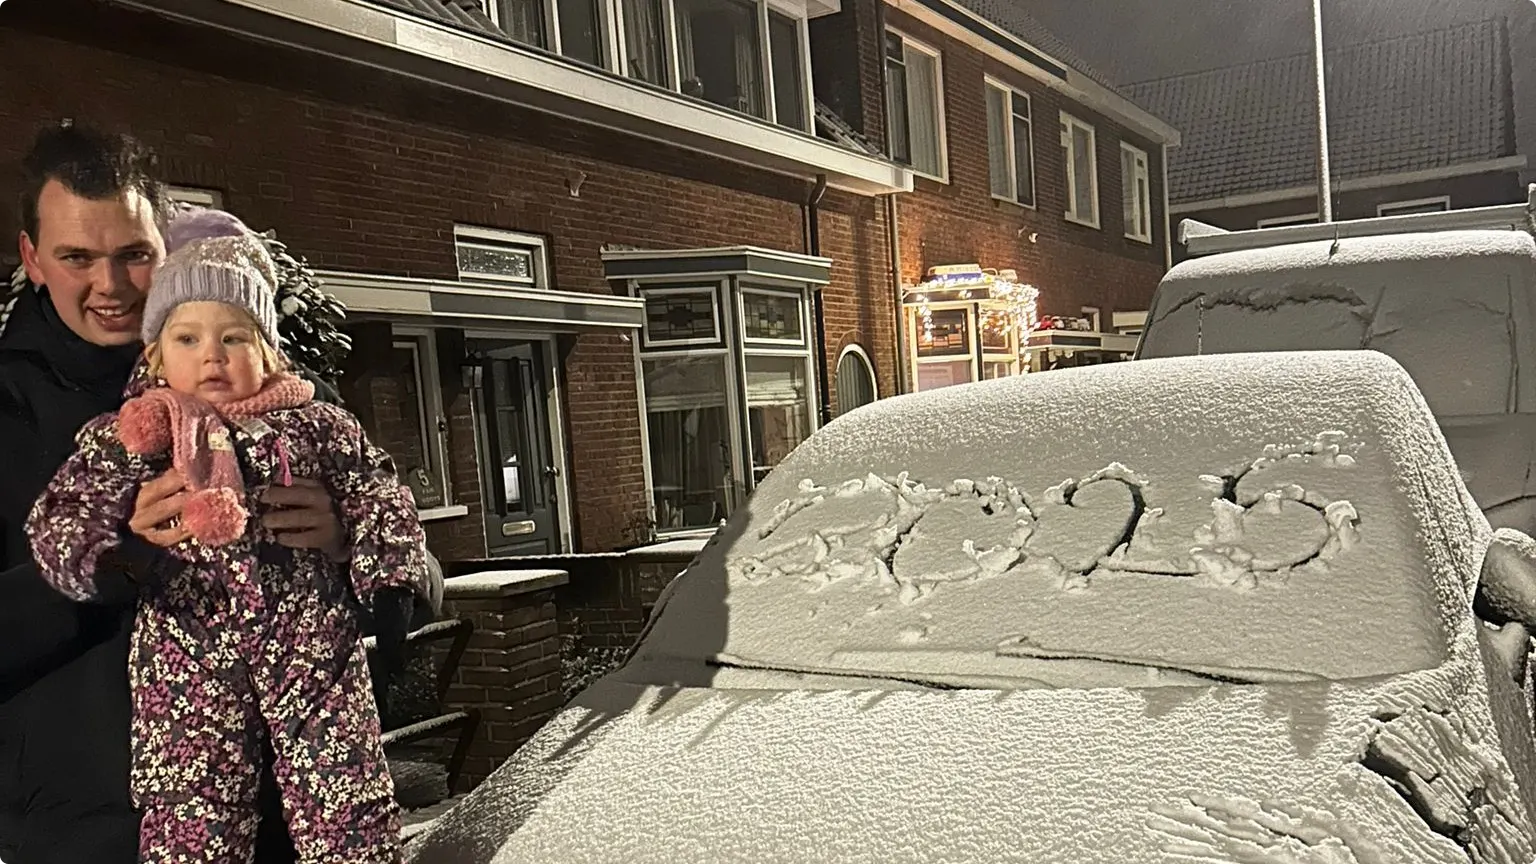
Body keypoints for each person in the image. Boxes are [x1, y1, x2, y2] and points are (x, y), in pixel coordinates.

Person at [0, 121, 352, 863]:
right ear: (32, 258)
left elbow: (418, 564)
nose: (112, 285)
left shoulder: (275, 390)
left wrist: (346, 541)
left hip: (273, 821)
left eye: (133, 254)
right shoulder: (7, 410)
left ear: (164, 247)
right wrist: (116, 561)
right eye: (77, 257)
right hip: (81, 835)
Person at [28, 207, 423, 863]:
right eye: (187, 339)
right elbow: (63, 517)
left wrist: (390, 579)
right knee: (192, 808)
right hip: (189, 647)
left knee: (343, 795)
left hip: (309, 639)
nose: (211, 354)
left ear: (267, 349)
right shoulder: (131, 437)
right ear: (155, 354)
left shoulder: (315, 422)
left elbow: (376, 491)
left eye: (234, 338)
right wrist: (110, 555)